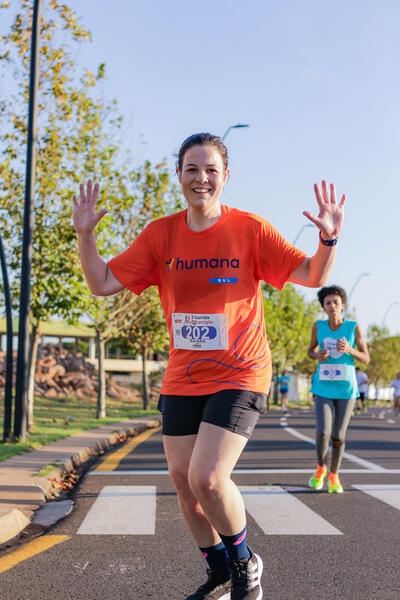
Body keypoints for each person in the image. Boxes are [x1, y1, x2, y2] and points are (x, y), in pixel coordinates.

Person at [73, 132, 346, 600]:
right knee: (184, 485)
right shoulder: (161, 234)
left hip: (241, 371)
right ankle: (219, 569)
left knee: (208, 477)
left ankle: (245, 566)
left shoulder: (250, 229)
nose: (202, 178)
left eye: (211, 169)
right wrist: (85, 233)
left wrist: (328, 237)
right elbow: (100, 282)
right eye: (192, 169)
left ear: (225, 177)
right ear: (179, 175)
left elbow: (313, 276)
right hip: (184, 375)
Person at [307, 285, 370, 494]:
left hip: (346, 389)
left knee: (338, 434)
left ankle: (334, 475)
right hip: (323, 386)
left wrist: (350, 349)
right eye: (328, 303)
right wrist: (318, 355)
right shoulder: (318, 326)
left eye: (336, 302)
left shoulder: (353, 327)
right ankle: (320, 468)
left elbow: (366, 358)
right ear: (323, 307)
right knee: (322, 431)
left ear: (343, 305)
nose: (332, 306)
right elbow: (310, 350)